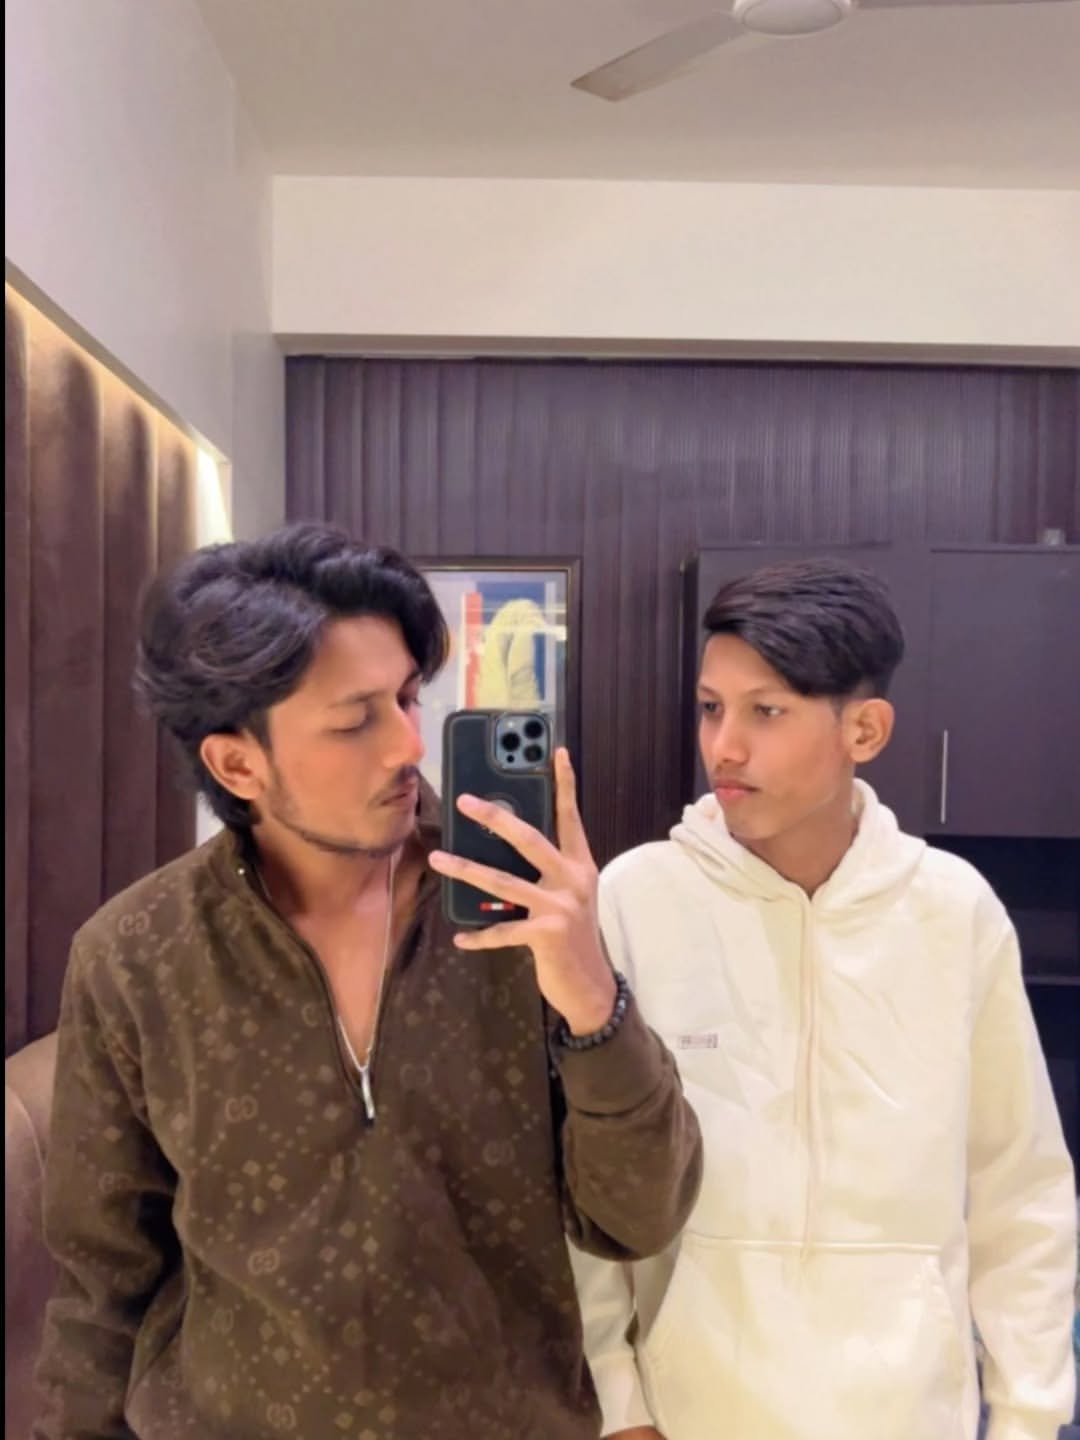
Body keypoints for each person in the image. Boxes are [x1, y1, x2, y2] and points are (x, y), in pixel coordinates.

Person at [33, 523, 702, 1440]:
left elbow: (639, 1219)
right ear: (237, 763)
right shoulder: (136, 956)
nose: (405, 745)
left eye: (408, 698)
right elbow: (101, 1282)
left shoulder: (523, 917)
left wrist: (592, 998)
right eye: (355, 721)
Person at [570, 560, 1077, 1440]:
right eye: (711, 707)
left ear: (865, 730)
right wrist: (617, 1403)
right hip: (689, 1413)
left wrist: (1029, 1416)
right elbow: (585, 1178)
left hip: (909, 1414)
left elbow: (1019, 1187)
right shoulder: (634, 899)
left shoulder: (953, 911)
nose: (724, 746)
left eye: (765, 712)